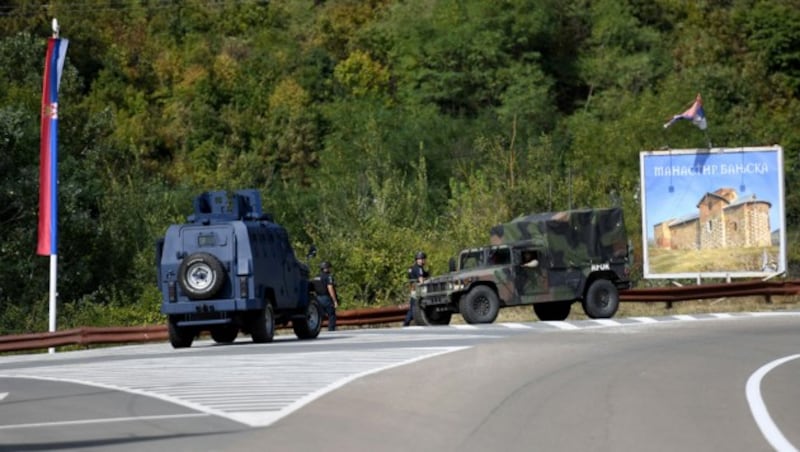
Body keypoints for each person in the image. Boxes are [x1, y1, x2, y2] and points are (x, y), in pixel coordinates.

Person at [403, 251, 429, 326]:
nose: (422, 261)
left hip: (414, 290)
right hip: (418, 291)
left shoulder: (413, 267)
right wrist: (426, 279)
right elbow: (421, 281)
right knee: (414, 308)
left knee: (413, 307)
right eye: (421, 259)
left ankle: (407, 324)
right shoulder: (418, 268)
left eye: (422, 259)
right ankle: (406, 324)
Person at [314, 261, 339, 331]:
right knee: (331, 314)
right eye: (330, 268)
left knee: (319, 315)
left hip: (317, 298)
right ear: (327, 268)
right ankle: (331, 330)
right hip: (326, 298)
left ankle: (317, 330)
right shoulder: (328, 277)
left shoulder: (316, 277)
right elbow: (330, 288)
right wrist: (334, 300)